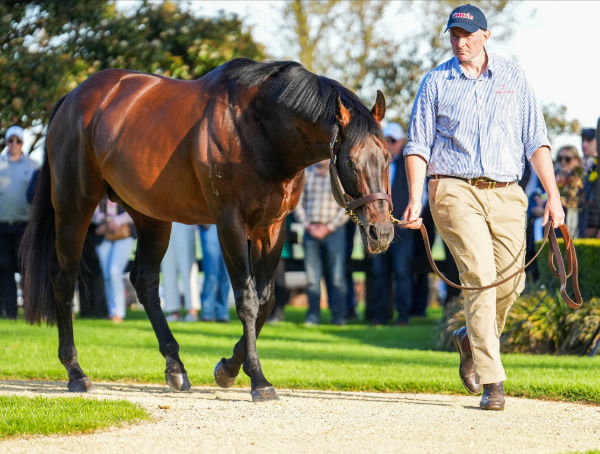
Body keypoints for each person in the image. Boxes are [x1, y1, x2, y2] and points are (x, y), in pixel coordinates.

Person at [402, 4, 565, 411]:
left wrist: (554, 196)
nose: (460, 42)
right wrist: (414, 199)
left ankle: (469, 340)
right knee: (480, 274)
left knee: (511, 283)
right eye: (454, 35)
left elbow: (537, 141)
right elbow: (418, 146)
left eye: (467, 35)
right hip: (453, 189)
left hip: (508, 192)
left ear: (485, 36)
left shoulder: (513, 76)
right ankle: (493, 382)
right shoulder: (436, 82)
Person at [369, 122, 414, 326]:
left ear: (401, 142)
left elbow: (419, 194)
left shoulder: (409, 165)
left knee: (402, 272)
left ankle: (403, 316)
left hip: (402, 228)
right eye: (385, 140)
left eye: (392, 141)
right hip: (379, 226)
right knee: (379, 273)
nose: (388, 144)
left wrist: (411, 215)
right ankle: (380, 315)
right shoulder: (374, 165)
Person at [295, 160, 348, 326]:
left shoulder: (339, 176)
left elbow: (347, 206)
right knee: (312, 278)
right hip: (310, 231)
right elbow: (297, 203)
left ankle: (338, 317)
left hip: (334, 231)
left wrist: (328, 227)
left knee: (337, 277)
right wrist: (308, 226)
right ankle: (313, 316)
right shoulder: (306, 173)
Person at [0, 125, 38, 319]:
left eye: (18, 140)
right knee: (5, 269)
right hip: (3, 224)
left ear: (23, 143)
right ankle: (11, 312)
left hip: (25, 225)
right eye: (10, 140)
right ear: (6, 142)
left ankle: (30, 312)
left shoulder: (33, 166)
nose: (14, 144)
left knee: (26, 269)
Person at [93, 198, 135, 323]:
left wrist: (116, 221)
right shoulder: (99, 190)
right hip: (103, 236)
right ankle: (112, 312)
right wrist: (104, 221)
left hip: (124, 234)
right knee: (107, 275)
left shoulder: (126, 187)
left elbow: (135, 211)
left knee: (114, 272)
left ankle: (119, 312)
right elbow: (91, 211)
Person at [161, 223, 200, 322]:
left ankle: (192, 310)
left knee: (188, 267)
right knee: (167, 268)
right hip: (164, 221)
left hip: (184, 221)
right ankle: (173, 311)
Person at [198, 224, 231, 322]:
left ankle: (222, 313)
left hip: (228, 226)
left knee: (225, 274)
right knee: (210, 273)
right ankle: (207, 312)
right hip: (209, 225)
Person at [554, 145, 584, 237]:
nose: (563, 162)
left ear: (577, 161)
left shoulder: (581, 181)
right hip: (550, 230)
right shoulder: (549, 178)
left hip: (573, 230)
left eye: (567, 159)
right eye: (560, 158)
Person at [580, 128, 599, 238]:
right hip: (582, 223)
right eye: (583, 140)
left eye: (589, 140)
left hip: (595, 226)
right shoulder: (578, 164)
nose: (584, 144)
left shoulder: (597, 165)